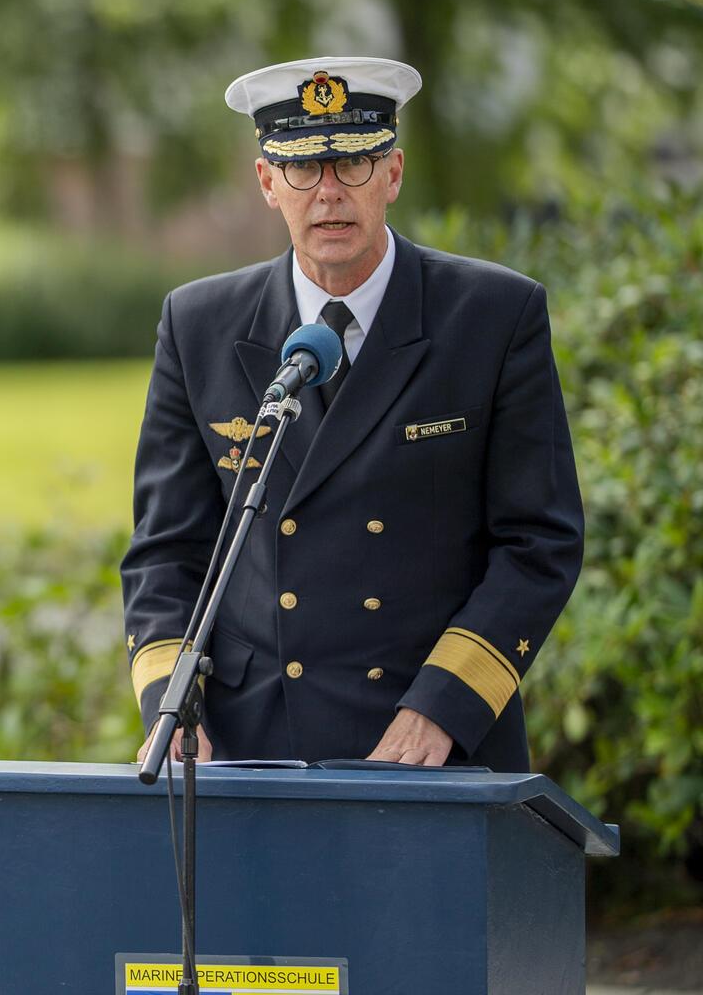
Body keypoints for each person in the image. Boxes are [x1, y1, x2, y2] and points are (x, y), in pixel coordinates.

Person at [121, 57, 583, 773]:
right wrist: (171, 707)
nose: (329, 194)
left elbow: (538, 541)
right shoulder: (198, 324)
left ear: (393, 174)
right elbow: (167, 551)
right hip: (247, 749)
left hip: (425, 741)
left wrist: (444, 705)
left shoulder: (493, 316)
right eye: (303, 170)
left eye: (354, 165)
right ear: (267, 184)